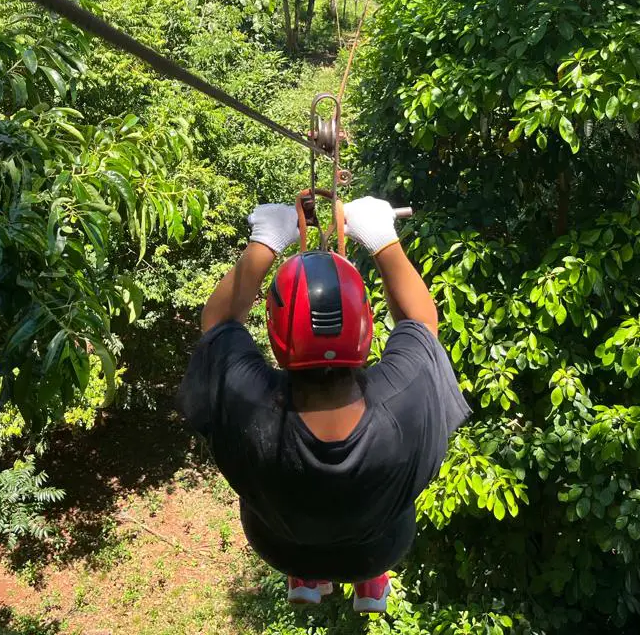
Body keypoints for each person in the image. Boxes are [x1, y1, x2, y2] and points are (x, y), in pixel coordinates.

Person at [177, 196, 470, 613]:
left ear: (277, 335)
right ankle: (369, 581)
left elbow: (218, 325)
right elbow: (420, 323)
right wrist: (382, 239)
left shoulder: (247, 404)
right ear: (366, 329)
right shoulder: (405, 398)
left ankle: (306, 575)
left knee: (301, 513)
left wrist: (266, 242)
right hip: (377, 550)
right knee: (370, 514)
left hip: (281, 547)